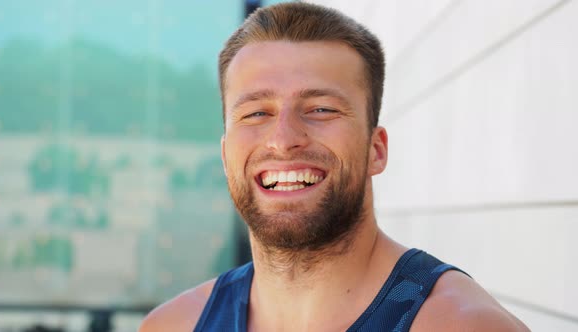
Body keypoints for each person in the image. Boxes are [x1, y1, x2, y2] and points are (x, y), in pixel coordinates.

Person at [140, 2, 529, 331]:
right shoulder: (174, 325)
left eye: (321, 109)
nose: (284, 137)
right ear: (226, 157)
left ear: (375, 149)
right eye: (257, 112)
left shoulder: (458, 323)